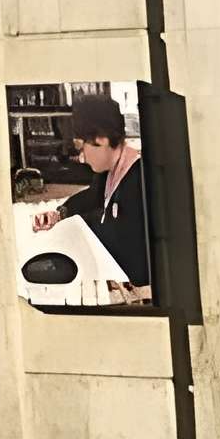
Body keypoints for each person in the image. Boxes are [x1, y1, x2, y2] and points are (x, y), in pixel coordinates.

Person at [31, 92, 152, 301]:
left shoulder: (139, 180)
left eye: (81, 146)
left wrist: (73, 227)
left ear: (101, 140)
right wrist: (60, 214)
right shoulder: (108, 172)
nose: (81, 158)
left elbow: (116, 229)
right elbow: (91, 198)